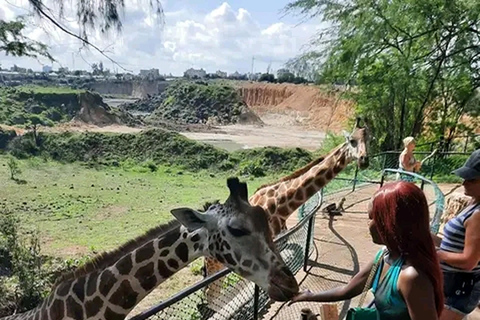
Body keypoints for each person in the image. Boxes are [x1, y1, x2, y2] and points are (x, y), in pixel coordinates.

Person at [289, 181, 444, 319]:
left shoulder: (411, 277)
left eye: (372, 218)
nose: (368, 225)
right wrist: (310, 295)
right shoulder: (384, 256)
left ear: (392, 224)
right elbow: (348, 290)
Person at [432, 149, 480, 320]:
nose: (464, 183)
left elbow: (468, 261)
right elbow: (454, 245)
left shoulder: (478, 215)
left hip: (458, 289)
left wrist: (435, 254)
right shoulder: (473, 204)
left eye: (471, 179)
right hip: (450, 285)